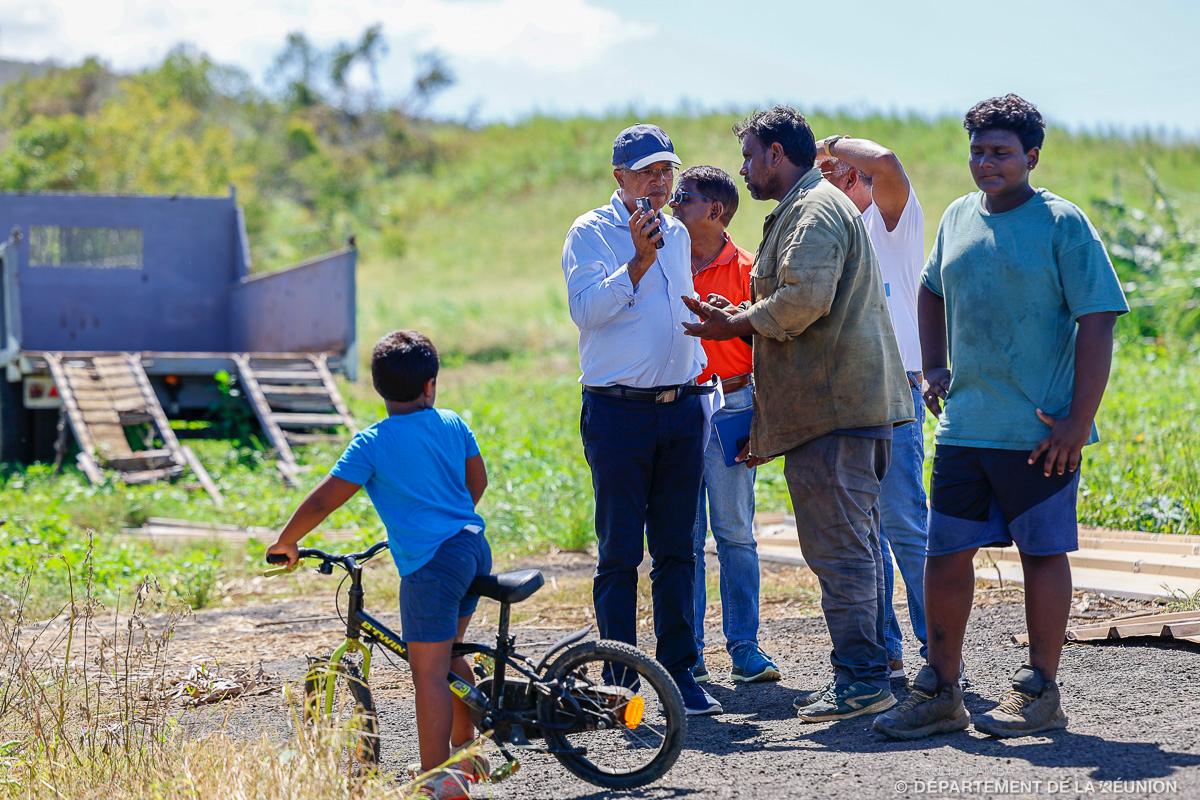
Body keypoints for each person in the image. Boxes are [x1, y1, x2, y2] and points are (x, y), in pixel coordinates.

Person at [874, 94, 1128, 740]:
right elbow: (930, 289)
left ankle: (1040, 690)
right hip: (966, 425)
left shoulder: (1061, 225)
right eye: (978, 151)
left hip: (1040, 431)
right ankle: (941, 688)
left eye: (1002, 153)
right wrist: (933, 367)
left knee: (1043, 554)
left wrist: (1076, 421)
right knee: (946, 553)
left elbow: (1097, 319)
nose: (987, 163)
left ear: (1031, 158)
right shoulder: (958, 217)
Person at [682, 106, 913, 722]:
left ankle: (863, 681)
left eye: (751, 155)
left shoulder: (813, 210)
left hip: (836, 413)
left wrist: (734, 320)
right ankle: (865, 673)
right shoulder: (806, 208)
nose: (744, 168)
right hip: (841, 409)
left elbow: (803, 300)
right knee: (854, 546)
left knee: (840, 551)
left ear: (777, 154)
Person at [266, 330, 492, 796]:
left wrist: (286, 541)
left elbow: (324, 501)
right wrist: (445, 521)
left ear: (377, 387)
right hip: (472, 546)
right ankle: (466, 758)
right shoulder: (453, 423)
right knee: (452, 653)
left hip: (432, 563)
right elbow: (478, 481)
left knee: (427, 671)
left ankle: (437, 779)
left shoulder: (371, 443)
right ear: (430, 384)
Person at [560, 123, 721, 716]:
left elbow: (674, 308)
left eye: (666, 170)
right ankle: (619, 681)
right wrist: (636, 259)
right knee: (620, 550)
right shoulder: (591, 232)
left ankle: (680, 673)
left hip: (681, 406)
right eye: (647, 171)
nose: (659, 182)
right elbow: (586, 313)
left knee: (680, 547)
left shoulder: (677, 233)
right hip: (618, 411)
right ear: (618, 178)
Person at [814, 135, 929, 686]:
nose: (826, 184)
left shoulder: (892, 226)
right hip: (849, 390)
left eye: (836, 174)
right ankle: (888, 649)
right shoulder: (833, 234)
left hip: (896, 386)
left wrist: (826, 144)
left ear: (855, 176)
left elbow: (886, 160)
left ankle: (940, 646)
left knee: (904, 523)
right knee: (865, 530)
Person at [669, 165, 781, 685]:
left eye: (683, 198)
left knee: (734, 532)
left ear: (715, 211)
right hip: (677, 407)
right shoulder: (664, 260)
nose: (672, 205)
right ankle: (687, 651)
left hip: (735, 405)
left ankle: (744, 647)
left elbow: (768, 345)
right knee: (683, 536)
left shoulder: (750, 269)